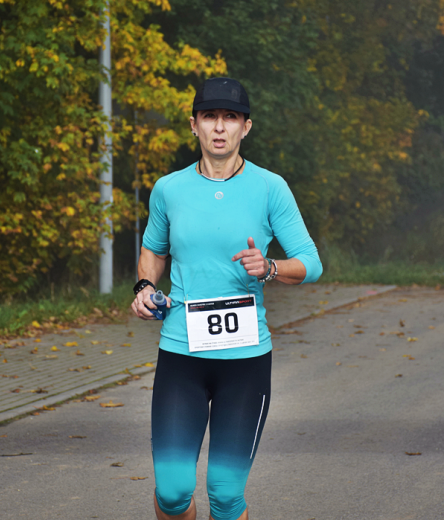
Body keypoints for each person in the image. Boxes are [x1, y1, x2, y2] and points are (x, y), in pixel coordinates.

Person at [131, 77, 322, 520]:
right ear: (193, 125)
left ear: (246, 128)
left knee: (224, 493)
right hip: (182, 354)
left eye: (230, 118)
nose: (220, 127)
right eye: (210, 117)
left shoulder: (270, 187)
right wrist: (144, 288)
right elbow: (153, 251)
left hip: (246, 362)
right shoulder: (169, 189)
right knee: (174, 492)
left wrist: (270, 267)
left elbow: (310, 263)